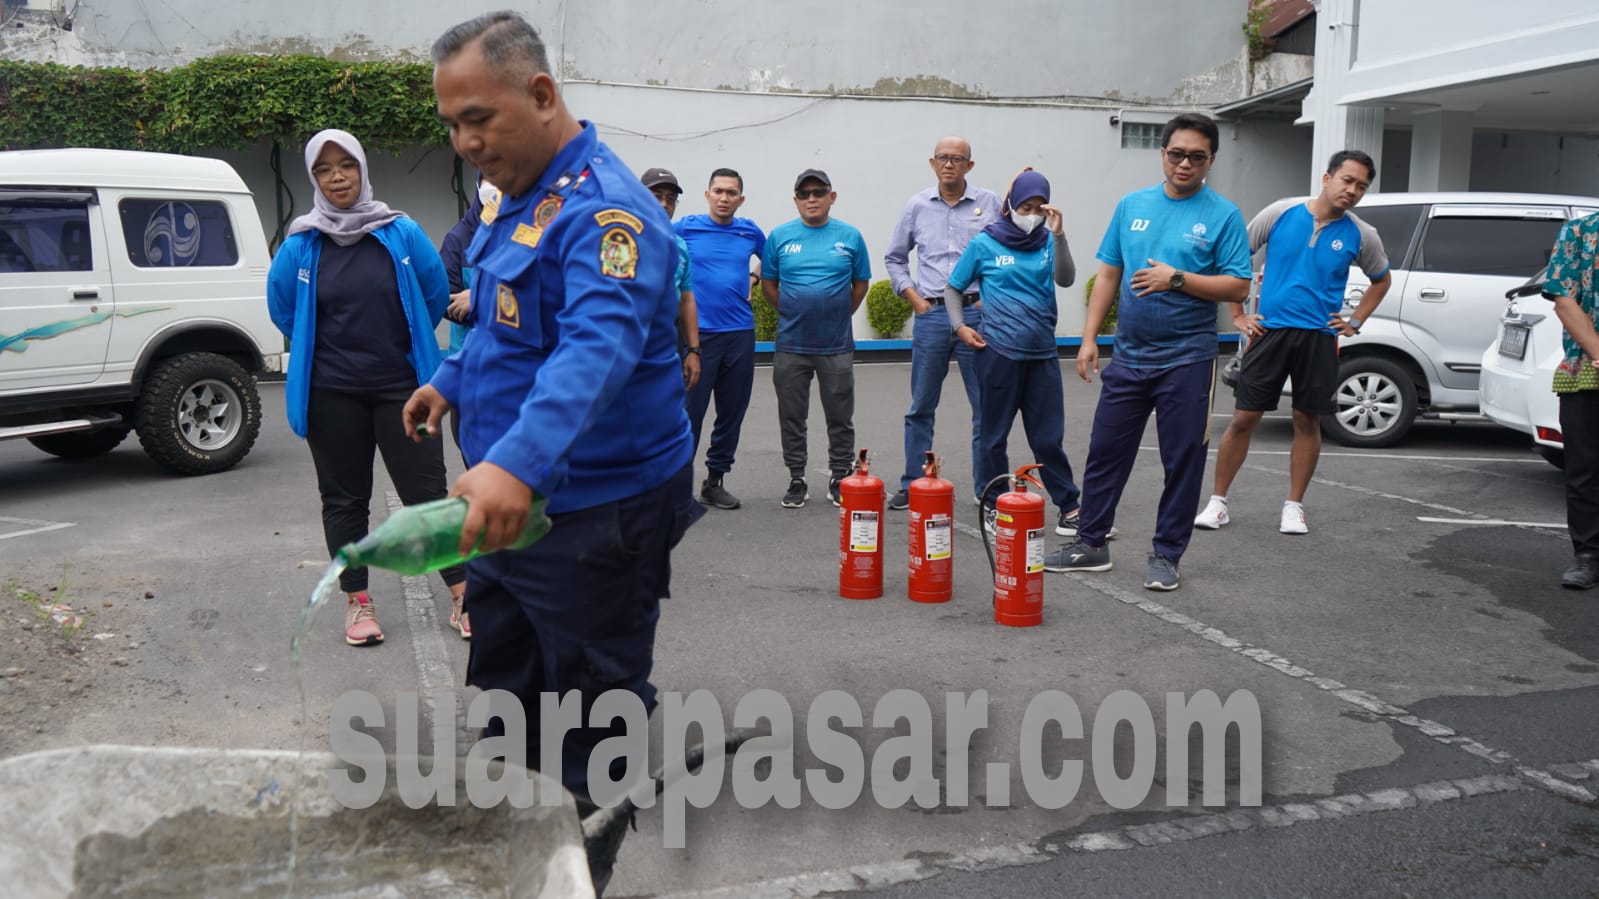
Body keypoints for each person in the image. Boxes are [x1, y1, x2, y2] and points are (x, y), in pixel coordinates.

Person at [412, 17, 700, 891]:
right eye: (452, 126)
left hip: (592, 514)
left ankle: (582, 864)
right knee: (507, 685)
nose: (465, 143)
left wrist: (516, 461)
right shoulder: (523, 196)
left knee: (592, 710)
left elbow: (594, 351)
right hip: (509, 512)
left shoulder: (609, 213)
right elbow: (506, 324)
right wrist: (453, 380)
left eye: (478, 119)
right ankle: (514, 843)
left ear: (541, 95)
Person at [266, 129, 466, 648]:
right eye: (324, 169)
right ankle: (358, 602)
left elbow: (434, 291)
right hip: (331, 393)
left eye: (346, 165)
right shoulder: (302, 243)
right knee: (344, 500)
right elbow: (282, 307)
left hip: (404, 388)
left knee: (427, 496)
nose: (337, 176)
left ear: (362, 168)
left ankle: (465, 593)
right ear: (314, 178)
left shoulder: (400, 233)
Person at [1046, 113, 1252, 592]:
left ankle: (1166, 553)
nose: (1185, 164)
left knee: (1182, 458)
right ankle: (1091, 543)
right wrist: (1090, 337)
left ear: (1210, 161)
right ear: (1162, 154)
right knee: (1105, 450)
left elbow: (1237, 283)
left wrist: (1177, 279)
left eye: (1196, 157)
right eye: (1176, 153)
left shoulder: (1222, 215)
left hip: (1188, 357)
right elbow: (1110, 275)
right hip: (1130, 355)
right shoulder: (1131, 205)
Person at [1194, 150, 1392, 536]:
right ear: (1326, 177)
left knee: (1307, 419)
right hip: (1269, 332)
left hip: (1319, 337)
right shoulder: (1281, 212)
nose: (1352, 191)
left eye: (1361, 187)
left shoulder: (1361, 234)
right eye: (1347, 180)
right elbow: (1234, 260)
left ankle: (1293, 506)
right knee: (1244, 418)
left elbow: (1381, 280)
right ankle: (1218, 503)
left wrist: (1354, 321)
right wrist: (1237, 314)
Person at [945, 168, 1082, 532]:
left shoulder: (1047, 242)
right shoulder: (986, 242)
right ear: (1010, 205)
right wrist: (960, 326)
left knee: (1048, 438)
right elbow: (954, 287)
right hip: (998, 353)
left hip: (1042, 356)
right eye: (1026, 205)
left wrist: (1061, 234)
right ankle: (993, 504)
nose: (1032, 214)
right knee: (993, 436)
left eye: (1040, 207)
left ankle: (1069, 508)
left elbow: (1066, 278)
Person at [884, 136, 1001, 510]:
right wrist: (915, 299)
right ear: (932, 164)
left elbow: (1006, 251)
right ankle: (914, 482)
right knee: (921, 403)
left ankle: (987, 489)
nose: (949, 164)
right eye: (942, 158)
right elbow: (895, 258)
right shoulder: (917, 206)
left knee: (984, 406)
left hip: (974, 314)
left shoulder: (990, 204)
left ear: (970, 165)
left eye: (957, 159)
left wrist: (987, 297)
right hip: (932, 314)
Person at [760, 169, 872, 507]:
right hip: (791, 345)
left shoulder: (850, 236)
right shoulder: (779, 237)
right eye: (804, 193)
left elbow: (860, 284)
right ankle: (797, 478)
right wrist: (795, 311)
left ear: (831, 197)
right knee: (792, 416)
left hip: (835, 345)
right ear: (795, 200)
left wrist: (837, 313)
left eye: (818, 192)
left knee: (840, 416)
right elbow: (769, 285)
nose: (812, 199)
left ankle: (839, 476)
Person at [675, 168, 765, 509]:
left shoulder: (749, 231)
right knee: (690, 414)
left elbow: (771, 261)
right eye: (719, 191)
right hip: (699, 337)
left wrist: (754, 278)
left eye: (731, 193)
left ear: (740, 199)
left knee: (731, 413)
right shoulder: (685, 227)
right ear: (707, 194)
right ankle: (678, 486)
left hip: (740, 335)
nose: (724, 198)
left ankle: (715, 481)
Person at [1546, 209, 1599, 589]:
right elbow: (1563, 298)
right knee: (1584, 469)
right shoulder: (1579, 231)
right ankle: (1588, 556)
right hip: (1585, 368)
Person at [641, 167, 702, 391]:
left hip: (669, 338)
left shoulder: (680, 246)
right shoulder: (623, 239)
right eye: (656, 197)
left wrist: (693, 350)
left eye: (670, 199)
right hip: (632, 338)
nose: (664, 205)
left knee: (668, 407)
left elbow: (686, 299)